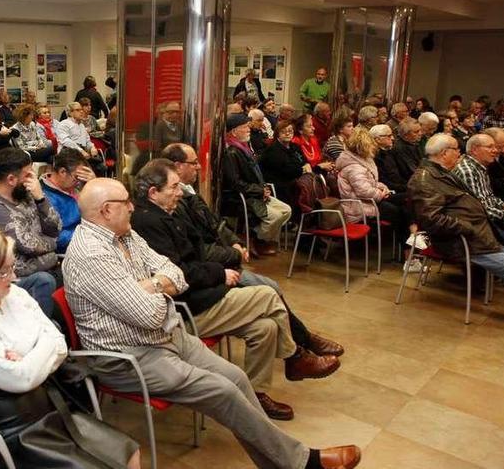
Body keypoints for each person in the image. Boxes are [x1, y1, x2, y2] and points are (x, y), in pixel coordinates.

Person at [64, 177, 362, 469]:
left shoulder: (125, 234)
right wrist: (161, 287)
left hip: (167, 336)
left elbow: (175, 273)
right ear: (105, 210)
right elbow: (151, 314)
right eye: (125, 202)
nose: (132, 207)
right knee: (224, 391)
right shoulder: (90, 254)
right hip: (131, 358)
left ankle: (281, 462)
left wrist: (150, 284)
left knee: (237, 378)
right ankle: (302, 462)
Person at [133, 159, 339, 420]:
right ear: (153, 192)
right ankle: (295, 356)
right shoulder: (149, 222)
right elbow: (180, 273)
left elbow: (200, 249)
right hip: (187, 310)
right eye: (174, 187)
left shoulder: (167, 213)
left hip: (203, 292)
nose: (180, 191)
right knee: (267, 293)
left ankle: (255, 396)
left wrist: (224, 259)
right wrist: (219, 272)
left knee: (266, 328)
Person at [0, 220, 141, 469]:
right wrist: (39, 350)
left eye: (11, 267)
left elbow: (58, 341)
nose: (13, 277)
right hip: (8, 428)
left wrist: (29, 357)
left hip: (46, 405)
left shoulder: (13, 294)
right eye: (3, 272)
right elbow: (20, 379)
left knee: (129, 453)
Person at [164, 142, 344, 354]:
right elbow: (198, 250)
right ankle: (300, 349)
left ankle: (299, 349)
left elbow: (215, 224)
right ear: (177, 166)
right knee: (270, 291)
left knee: (267, 308)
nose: (199, 167)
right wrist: (233, 254)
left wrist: (235, 242)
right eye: (193, 163)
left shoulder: (189, 192)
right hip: (208, 277)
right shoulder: (172, 207)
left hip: (217, 265)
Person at [409, 134, 504, 317]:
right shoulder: (424, 180)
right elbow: (431, 220)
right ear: (444, 153)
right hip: (461, 241)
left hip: (480, 235)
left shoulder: (443, 173)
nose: (460, 153)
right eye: (456, 150)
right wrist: (468, 226)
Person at [0, 148, 62, 297]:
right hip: (24, 281)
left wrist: (40, 198)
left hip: (50, 267)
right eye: (28, 175)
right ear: (11, 179)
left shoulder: (25, 192)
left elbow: (56, 227)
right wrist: (55, 243)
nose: (33, 179)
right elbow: (30, 246)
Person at [220, 114, 292, 256]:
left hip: (257, 192)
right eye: (245, 127)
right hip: (244, 197)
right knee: (275, 216)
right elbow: (235, 183)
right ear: (234, 131)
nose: (249, 129)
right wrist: (259, 191)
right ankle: (253, 239)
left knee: (287, 210)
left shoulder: (245, 147)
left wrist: (262, 188)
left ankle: (258, 238)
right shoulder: (232, 152)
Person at [453, 133, 504, 254]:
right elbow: (479, 210)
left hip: (492, 217)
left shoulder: (480, 167)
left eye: (495, 147)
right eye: (490, 147)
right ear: (475, 150)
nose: (495, 150)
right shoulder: (468, 171)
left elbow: (489, 197)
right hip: (481, 226)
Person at [335, 128, 410, 246]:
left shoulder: (364, 160)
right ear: (363, 146)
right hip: (360, 204)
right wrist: (381, 193)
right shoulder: (353, 167)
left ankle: (409, 245)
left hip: (371, 199)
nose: (373, 147)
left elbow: (372, 182)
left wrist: (383, 187)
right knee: (398, 212)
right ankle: (406, 248)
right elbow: (364, 191)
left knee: (407, 201)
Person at [40, 147, 95, 253]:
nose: (79, 181)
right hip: (74, 247)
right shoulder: (44, 197)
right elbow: (57, 237)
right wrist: (88, 233)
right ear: (63, 171)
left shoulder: (76, 185)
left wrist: (93, 184)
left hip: (88, 235)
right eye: (76, 177)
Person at [260, 119, 312, 203]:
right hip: (280, 183)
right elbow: (287, 170)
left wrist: (306, 165)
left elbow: (305, 161)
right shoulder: (273, 150)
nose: (287, 134)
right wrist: (303, 169)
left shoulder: (295, 146)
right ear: (277, 134)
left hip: (295, 179)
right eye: (283, 132)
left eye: (290, 131)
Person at [390, 117, 424, 184]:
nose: (420, 133)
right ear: (406, 135)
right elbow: (411, 170)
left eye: (420, 130)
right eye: (416, 132)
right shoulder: (400, 149)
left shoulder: (414, 143)